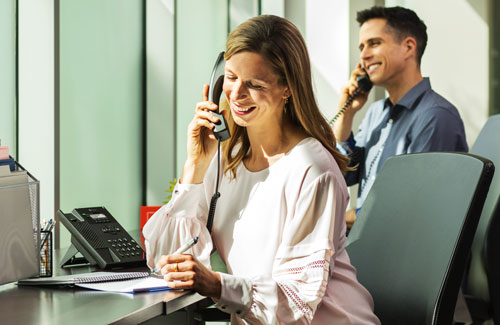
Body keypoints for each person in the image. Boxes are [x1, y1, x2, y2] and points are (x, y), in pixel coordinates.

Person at [143, 15, 380, 324]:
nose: (236, 94)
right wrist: (195, 167)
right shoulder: (224, 160)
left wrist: (216, 284)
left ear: (287, 89)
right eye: (230, 77)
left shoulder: (313, 170)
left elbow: (296, 303)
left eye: (254, 84)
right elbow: (163, 262)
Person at [333, 6, 468, 228]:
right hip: (369, 238)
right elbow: (344, 177)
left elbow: (410, 207)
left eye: (374, 43)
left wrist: (339, 218)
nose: (364, 55)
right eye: (362, 46)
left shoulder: (435, 116)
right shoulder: (376, 112)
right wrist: (346, 114)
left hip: (403, 250)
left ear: (408, 47)